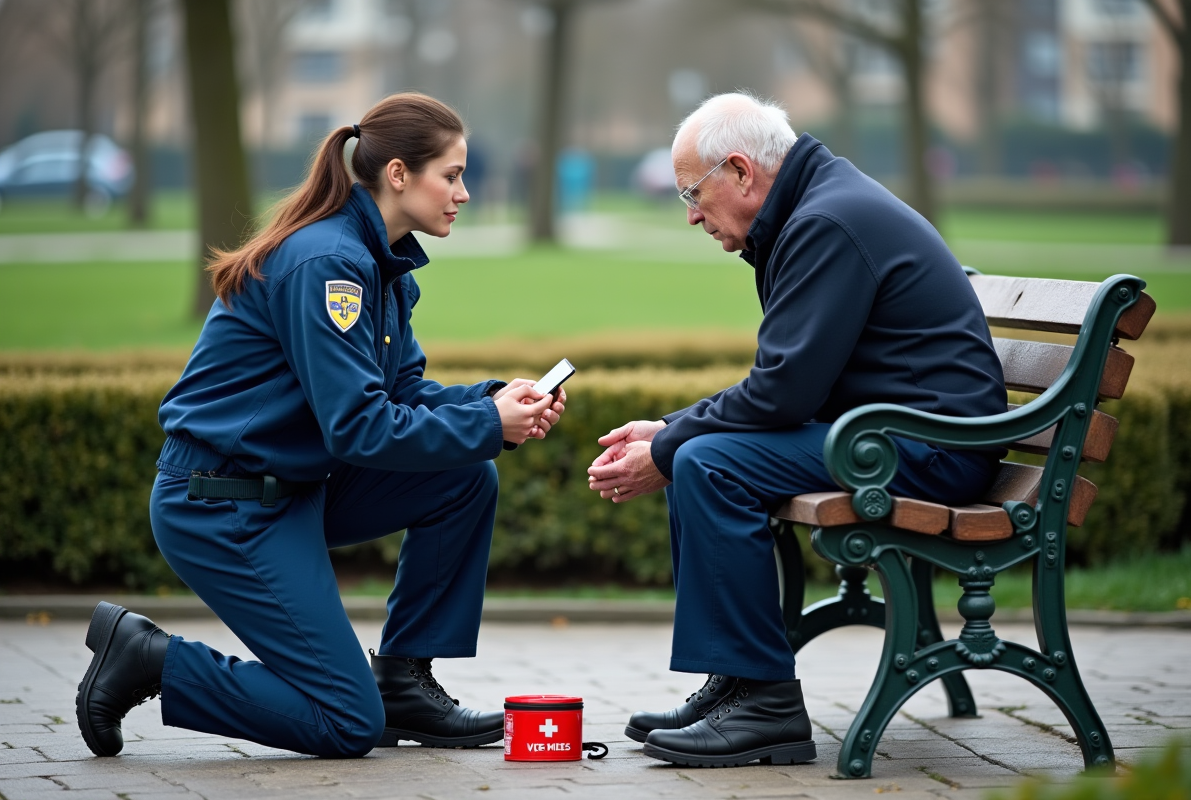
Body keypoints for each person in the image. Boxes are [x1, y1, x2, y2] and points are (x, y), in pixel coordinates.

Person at [76, 93, 566, 759]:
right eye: (451, 176)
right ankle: (151, 660)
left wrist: (493, 404)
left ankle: (403, 683)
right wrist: (486, 420)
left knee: (464, 476)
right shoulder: (330, 263)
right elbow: (359, 428)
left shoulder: (382, 263)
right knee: (345, 724)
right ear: (398, 175)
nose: (465, 193)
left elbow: (398, 392)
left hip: (294, 487)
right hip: (222, 504)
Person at [587, 93, 1007, 768]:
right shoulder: (817, 207)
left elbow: (783, 392)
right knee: (698, 454)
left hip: (929, 450)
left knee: (707, 463)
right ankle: (738, 685)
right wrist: (670, 429)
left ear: (742, 171)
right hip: (890, 435)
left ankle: (765, 706)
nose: (692, 214)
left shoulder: (826, 221)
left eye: (693, 193)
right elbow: (786, 382)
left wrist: (668, 443)